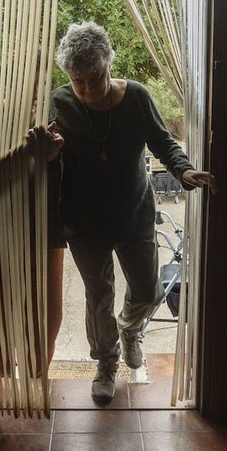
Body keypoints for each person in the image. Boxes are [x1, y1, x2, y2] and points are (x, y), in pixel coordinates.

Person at [46, 21, 215, 402]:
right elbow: (48, 157)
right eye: (77, 80)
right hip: (84, 222)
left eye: (95, 77)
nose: (87, 89)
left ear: (109, 65)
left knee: (147, 290)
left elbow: (162, 142)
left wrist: (184, 171)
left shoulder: (136, 97)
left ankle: (130, 330)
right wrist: (48, 154)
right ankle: (106, 362)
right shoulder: (59, 103)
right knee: (98, 296)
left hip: (134, 215)